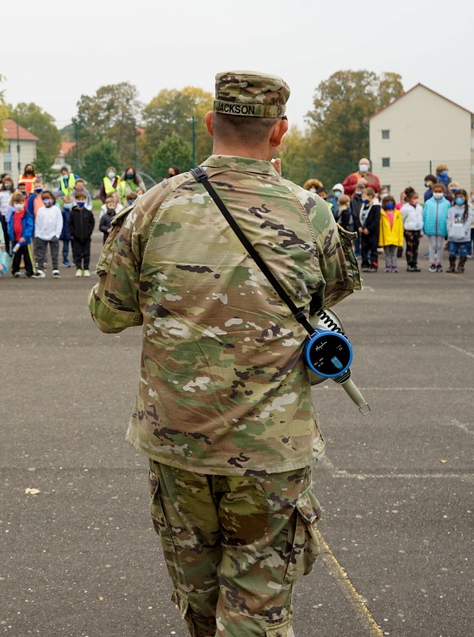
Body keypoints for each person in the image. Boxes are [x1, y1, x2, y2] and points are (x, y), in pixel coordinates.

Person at [89, 71, 359, 637]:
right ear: (279, 132)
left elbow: (108, 314)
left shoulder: (153, 206)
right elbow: (323, 297)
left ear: (212, 123)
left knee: (200, 602)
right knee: (257, 609)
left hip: (179, 440)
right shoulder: (310, 212)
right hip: (270, 447)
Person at [32, 191, 62, 279]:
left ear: (52, 199)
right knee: (40, 254)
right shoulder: (41, 210)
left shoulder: (56, 210)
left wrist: (57, 234)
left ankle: (55, 269)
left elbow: (59, 222)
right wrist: (37, 234)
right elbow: (37, 223)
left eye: (48, 198)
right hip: (41, 235)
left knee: (54, 253)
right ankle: (40, 270)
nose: (46, 200)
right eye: (44, 199)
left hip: (53, 235)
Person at [422, 183, 450, 272]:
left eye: (440, 191)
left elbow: (448, 215)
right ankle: (431, 263)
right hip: (430, 227)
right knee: (432, 245)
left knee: (440, 246)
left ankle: (439, 262)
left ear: (443, 192)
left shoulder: (447, 203)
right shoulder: (428, 203)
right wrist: (424, 226)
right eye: (436, 191)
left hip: (442, 227)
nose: (437, 193)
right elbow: (424, 215)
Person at [7, 191, 35, 278]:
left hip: (24, 240)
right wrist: (11, 235)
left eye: (20, 203)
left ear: (24, 203)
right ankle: (15, 270)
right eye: (16, 203)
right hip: (15, 239)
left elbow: (30, 226)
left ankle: (30, 271)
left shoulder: (27, 215)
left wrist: (25, 236)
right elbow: (10, 226)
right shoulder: (13, 214)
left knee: (27, 256)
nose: (18, 205)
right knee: (16, 256)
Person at [68, 191, 95, 277]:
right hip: (76, 238)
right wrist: (73, 233)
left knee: (86, 253)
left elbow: (92, 223)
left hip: (86, 237)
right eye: (79, 199)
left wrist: (89, 232)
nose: (81, 201)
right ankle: (79, 268)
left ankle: (86, 268)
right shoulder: (73, 212)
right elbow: (70, 224)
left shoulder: (88, 212)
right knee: (77, 253)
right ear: (75, 200)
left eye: (83, 199)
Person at [446, 189, 472, 273]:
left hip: (463, 236)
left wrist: (464, 232)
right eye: (457, 197)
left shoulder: (468, 210)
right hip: (453, 235)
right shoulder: (451, 209)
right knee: (452, 251)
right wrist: (449, 231)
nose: (459, 199)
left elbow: (468, 222)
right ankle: (452, 265)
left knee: (463, 251)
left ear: (465, 198)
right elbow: (448, 220)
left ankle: (461, 266)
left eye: (461, 197)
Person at [357, 186, 380, 272]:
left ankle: (374, 264)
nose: (362, 198)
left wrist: (369, 229)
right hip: (363, 232)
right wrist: (359, 227)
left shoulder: (376, 207)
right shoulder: (362, 206)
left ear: (370, 197)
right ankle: (365, 263)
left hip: (372, 232)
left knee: (373, 249)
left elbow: (376, 220)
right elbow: (358, 218)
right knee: (363, 249)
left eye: (364, 196)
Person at [379, 194, 403, 273]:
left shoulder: (398, 213)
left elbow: (400, 227)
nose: (389, 204)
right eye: (387, 202)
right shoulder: (382, 214)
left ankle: (394, 265)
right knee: (387, 253)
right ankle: (388, 265)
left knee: (394, 253)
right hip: (386, 237)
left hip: (395, 237)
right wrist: (381, 240)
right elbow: (381, 228)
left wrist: (400, 240)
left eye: (391, 202)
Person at [400, 188, 423, 272]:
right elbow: (402, 219)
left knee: (416, 247)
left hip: (417, 229)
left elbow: (421, 218)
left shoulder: (419, 208)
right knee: (410, 246)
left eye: (417, 198)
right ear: (409, 199)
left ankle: (414, 262)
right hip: (409, 230)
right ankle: (409, 263)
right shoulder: (405, 208)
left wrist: (422, 230)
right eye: (414, 198)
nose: (416, 200)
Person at [60, 195, 74, 267]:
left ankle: (75, 260)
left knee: (74, 248)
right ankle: (65, 260)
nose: (68, 203)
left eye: (70, 202)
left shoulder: (74, 212)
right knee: (65, 248)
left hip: (73, 233)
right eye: (67, 202)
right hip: (65, 233)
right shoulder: (62, 212)